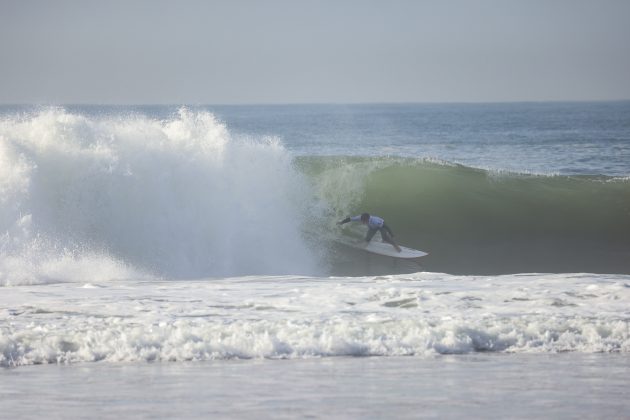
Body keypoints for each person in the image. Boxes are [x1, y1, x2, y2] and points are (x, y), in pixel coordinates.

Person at [337, 213, 401, 252]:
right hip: (372, 227)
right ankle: (368, 244)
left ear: (368, 219)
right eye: (362, 221)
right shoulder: (360, 217)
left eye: (364, 221)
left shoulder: (375, 221)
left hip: (381, 225)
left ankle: (396, 246)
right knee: (367, 239)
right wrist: (342, 222)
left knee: (385, 238)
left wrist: (391, 233)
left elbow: (386, 226)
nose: (363, 222)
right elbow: (349, 219)